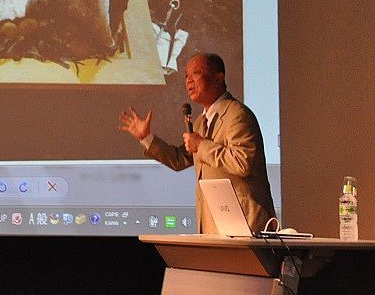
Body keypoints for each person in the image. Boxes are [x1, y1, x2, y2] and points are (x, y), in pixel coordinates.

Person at [118, 53, 276, 234]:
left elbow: (242, 162)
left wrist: (201, 145)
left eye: (196, 73)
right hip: (215, 227)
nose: (188, 81)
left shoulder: (237, 115)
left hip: (246, 226)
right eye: (186, 76)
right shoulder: (201, 122)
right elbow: (180, 160)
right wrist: (146, 137)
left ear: (218, 78)